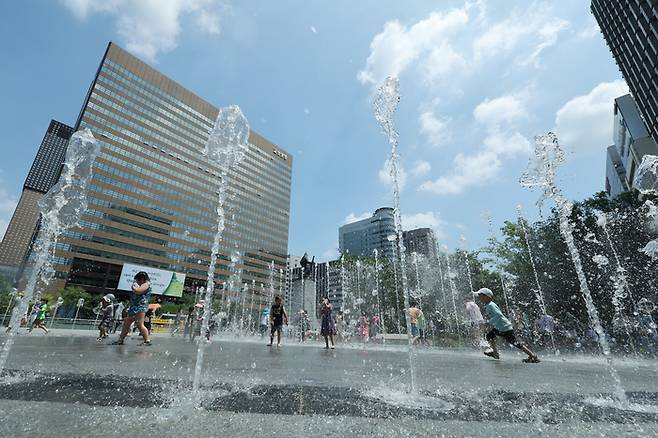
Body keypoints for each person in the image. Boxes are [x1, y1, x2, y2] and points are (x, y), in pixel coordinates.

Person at [477, 288, 540, 363]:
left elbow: (499, 315)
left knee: (515, 343)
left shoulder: (491, 305)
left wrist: (488, 322)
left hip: (505, 328)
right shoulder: (489, 305)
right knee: (490, 336)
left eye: (480, 296)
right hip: (501, 327)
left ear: (487, 296)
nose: (479, 298)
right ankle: (495, 353)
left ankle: (532, 356)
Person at [112, 271, 152, 346]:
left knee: (140, 324)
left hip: (140, 306)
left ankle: (147, 340)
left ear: (142, 279)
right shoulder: (142, 284)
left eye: (138, 280)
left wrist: (133, 286)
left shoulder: (146, 284)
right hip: (135, 306)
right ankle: (120, 340)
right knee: (127, 322)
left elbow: (138, 291)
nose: (137, 282)